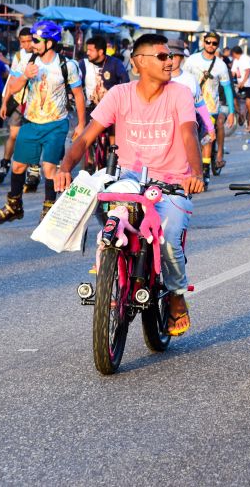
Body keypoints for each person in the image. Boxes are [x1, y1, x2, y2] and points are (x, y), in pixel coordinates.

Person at [55, 34, 205, 337]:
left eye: (171, 57)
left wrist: (197, 174)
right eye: (161, 57)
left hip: (171, 183)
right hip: (128, 180)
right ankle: (108, 273)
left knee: (168, 239)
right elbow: (86, 135)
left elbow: (189, 133)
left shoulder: (180, 93)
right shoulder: (120, 94)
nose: (170, 62)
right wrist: (65, 167)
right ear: (139, 63)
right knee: (108, 222)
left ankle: (175, 294)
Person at [0, 20, 85, 225]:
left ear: (50, 43)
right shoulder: (28, 62)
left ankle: (49, 208)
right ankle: (14, 206)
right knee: (17, 166)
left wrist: (81, 124)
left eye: (36, 40)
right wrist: (25, 76)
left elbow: (78, 95)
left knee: (49, 168)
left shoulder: (67, 66)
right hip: (30, 123)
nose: (32, 44)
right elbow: (12, 88)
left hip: (56, 124)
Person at [183, 31, 235, 180]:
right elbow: (182, 79)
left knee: (207, 140)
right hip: (190, 107)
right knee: (190, 139)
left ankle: (205, 173)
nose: (210, 45)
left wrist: (231, 111)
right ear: (203, 42)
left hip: (210, 109)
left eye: (214, 43)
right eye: (208, 42)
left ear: (217, 45)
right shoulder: (192, 60)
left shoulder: (221, 65)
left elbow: (227, 88)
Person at [168, 37, 215, 166]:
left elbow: (200, 104)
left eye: (175, 56)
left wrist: (210, 128)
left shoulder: (190, 79)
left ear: (181, 58)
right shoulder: (159, 78)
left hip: (187, 129)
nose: (171, 60)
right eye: (169, 55)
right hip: (165, 130)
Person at [0, 27, 35, 186]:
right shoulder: (19, 56)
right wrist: (4, 102)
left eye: (29, 41)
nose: (26, 45)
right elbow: (12, 80)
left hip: (35, 103)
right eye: (23, 41)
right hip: (18, 101)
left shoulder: (41, 55)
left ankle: (33, 168)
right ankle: (5, 163)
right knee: (13, 135)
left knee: (31, 137)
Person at [78, 35, 129, 144]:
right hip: (90, 107)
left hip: (110, 108)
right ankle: (90, 159)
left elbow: (125, 80)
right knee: (87, 137)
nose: (87, 53)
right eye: (87, 50)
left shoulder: (115, 63)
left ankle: (113, 151)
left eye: (91, 50)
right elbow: (76, 83)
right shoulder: (83, 64)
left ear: (100, 52)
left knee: (114, 127)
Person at [230, 45, 250, 133]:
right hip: (241, 85)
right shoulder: (236, 60)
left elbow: (248, 71)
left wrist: (243, 82)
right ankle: (241, 114)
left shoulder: (245, 59)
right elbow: (233, 72)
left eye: (232, 54)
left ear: (235, 53)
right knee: (233, 96)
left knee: (248, 102)